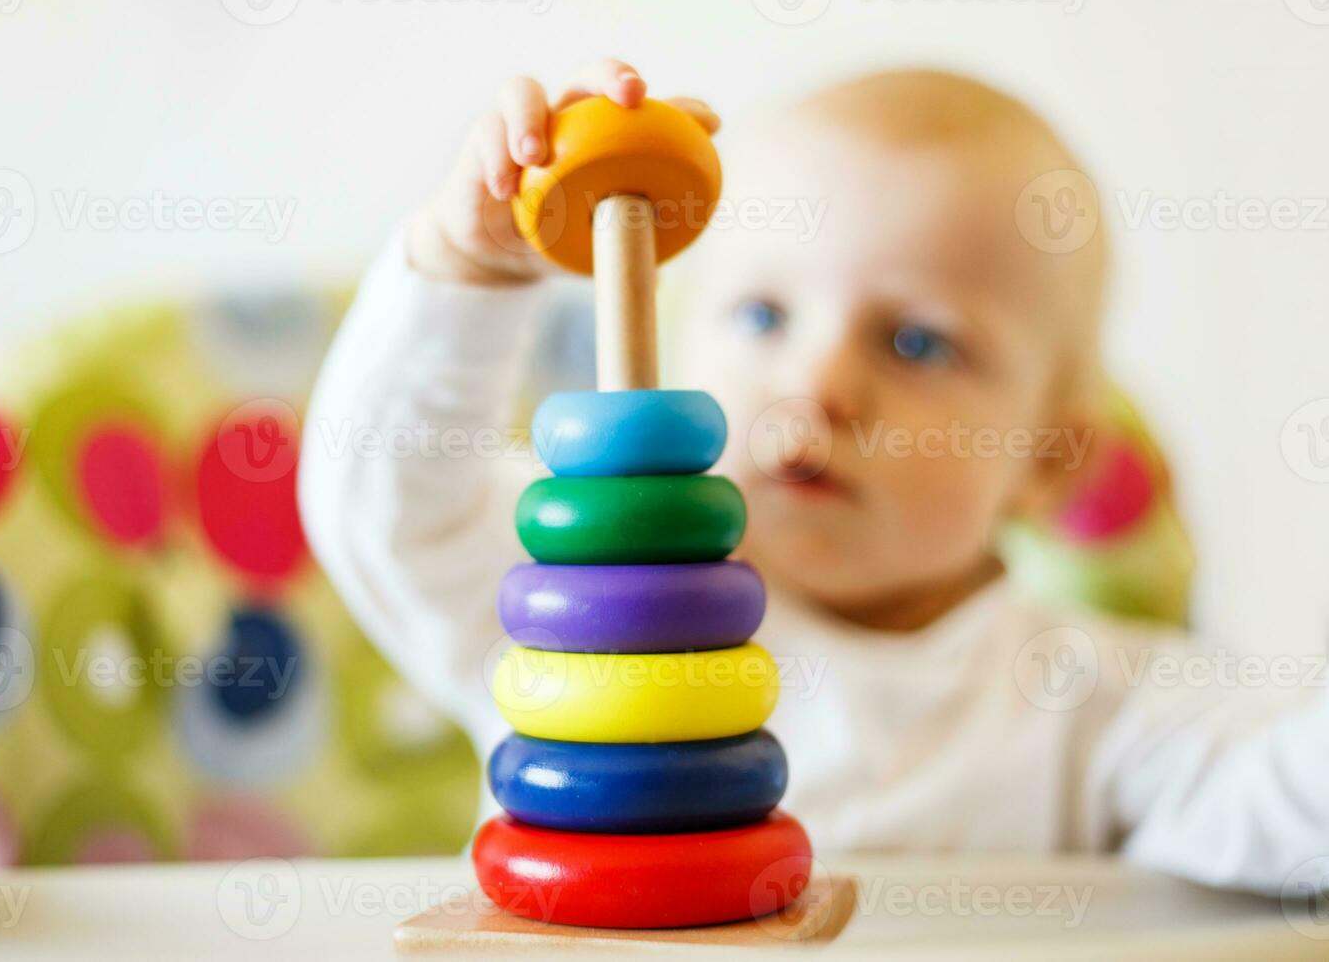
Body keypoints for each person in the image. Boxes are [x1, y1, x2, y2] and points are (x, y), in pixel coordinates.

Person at [300, 59, 1328, 894]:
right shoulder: (576, 603)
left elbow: (1283, 809)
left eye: (917, 342)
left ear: (1050, 460)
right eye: (762, 316)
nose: (819, 382)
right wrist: (466, 273)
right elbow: (390, 514)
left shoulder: (1102, 703)